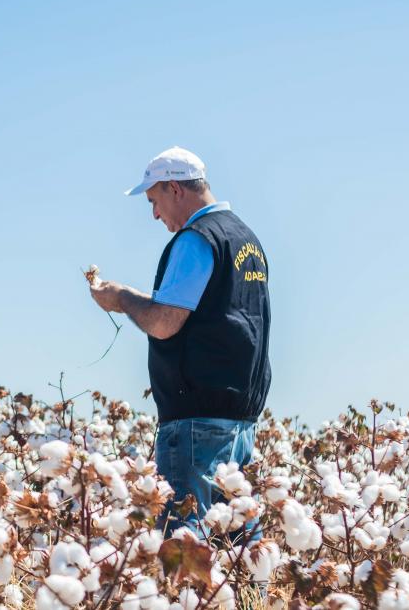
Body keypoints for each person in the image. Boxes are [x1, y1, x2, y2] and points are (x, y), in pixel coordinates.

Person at [89, 146, 271, 538]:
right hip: (240, 419)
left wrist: (121, 298)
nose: (155, 215)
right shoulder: (246, 240)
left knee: (186, 549)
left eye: (154, 201)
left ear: (175, 189)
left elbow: (165, 322)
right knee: (239, 547)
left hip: (195, 422)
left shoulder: (196, 239)